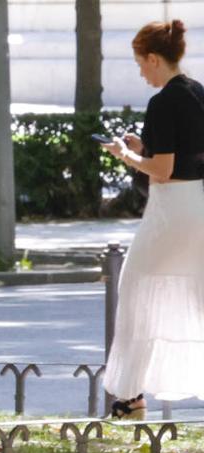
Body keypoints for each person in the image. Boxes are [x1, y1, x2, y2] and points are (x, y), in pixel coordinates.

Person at [102, 19, 204, 417]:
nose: (141, 71)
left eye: (141, 63)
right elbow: (182, 153)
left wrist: (125, 154)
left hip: (170, 210)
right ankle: (133, 396)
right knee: (194, 292)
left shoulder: (162, 102)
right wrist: (146, 147)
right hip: (197, 202)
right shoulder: (197, 93)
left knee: (137, 286)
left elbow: (161, 170)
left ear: (153, 58)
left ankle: (131, 397)